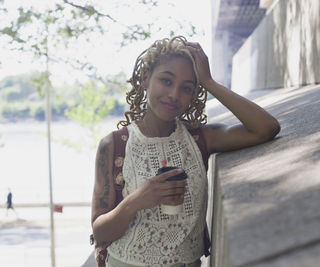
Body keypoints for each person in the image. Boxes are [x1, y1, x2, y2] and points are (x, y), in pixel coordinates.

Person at [91, 36, 280, 267]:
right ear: (145, 78)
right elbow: (100, 232)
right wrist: (136, 201)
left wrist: (209, 82)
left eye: (186, 88)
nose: (174, 94)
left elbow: (266, 128)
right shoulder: (115, 145)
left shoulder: (200, 139)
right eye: (166, 81)